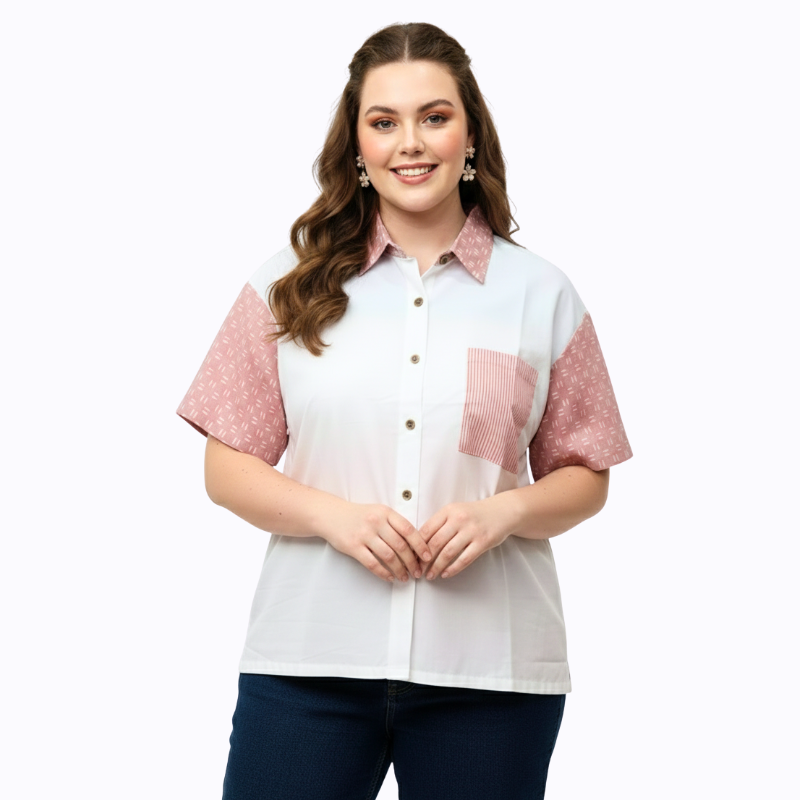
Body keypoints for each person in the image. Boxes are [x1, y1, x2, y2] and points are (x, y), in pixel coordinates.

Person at [177, 21, 632, 800]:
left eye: (434, 117)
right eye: (384, 122)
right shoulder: (285, 284)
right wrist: (333, 518)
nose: (410, 143)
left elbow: (586, 475)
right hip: (309, 662)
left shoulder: (542, 294)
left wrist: (504, 512)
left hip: (490, 673)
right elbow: (227, 466)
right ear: (357, 145)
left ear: (470, 135)